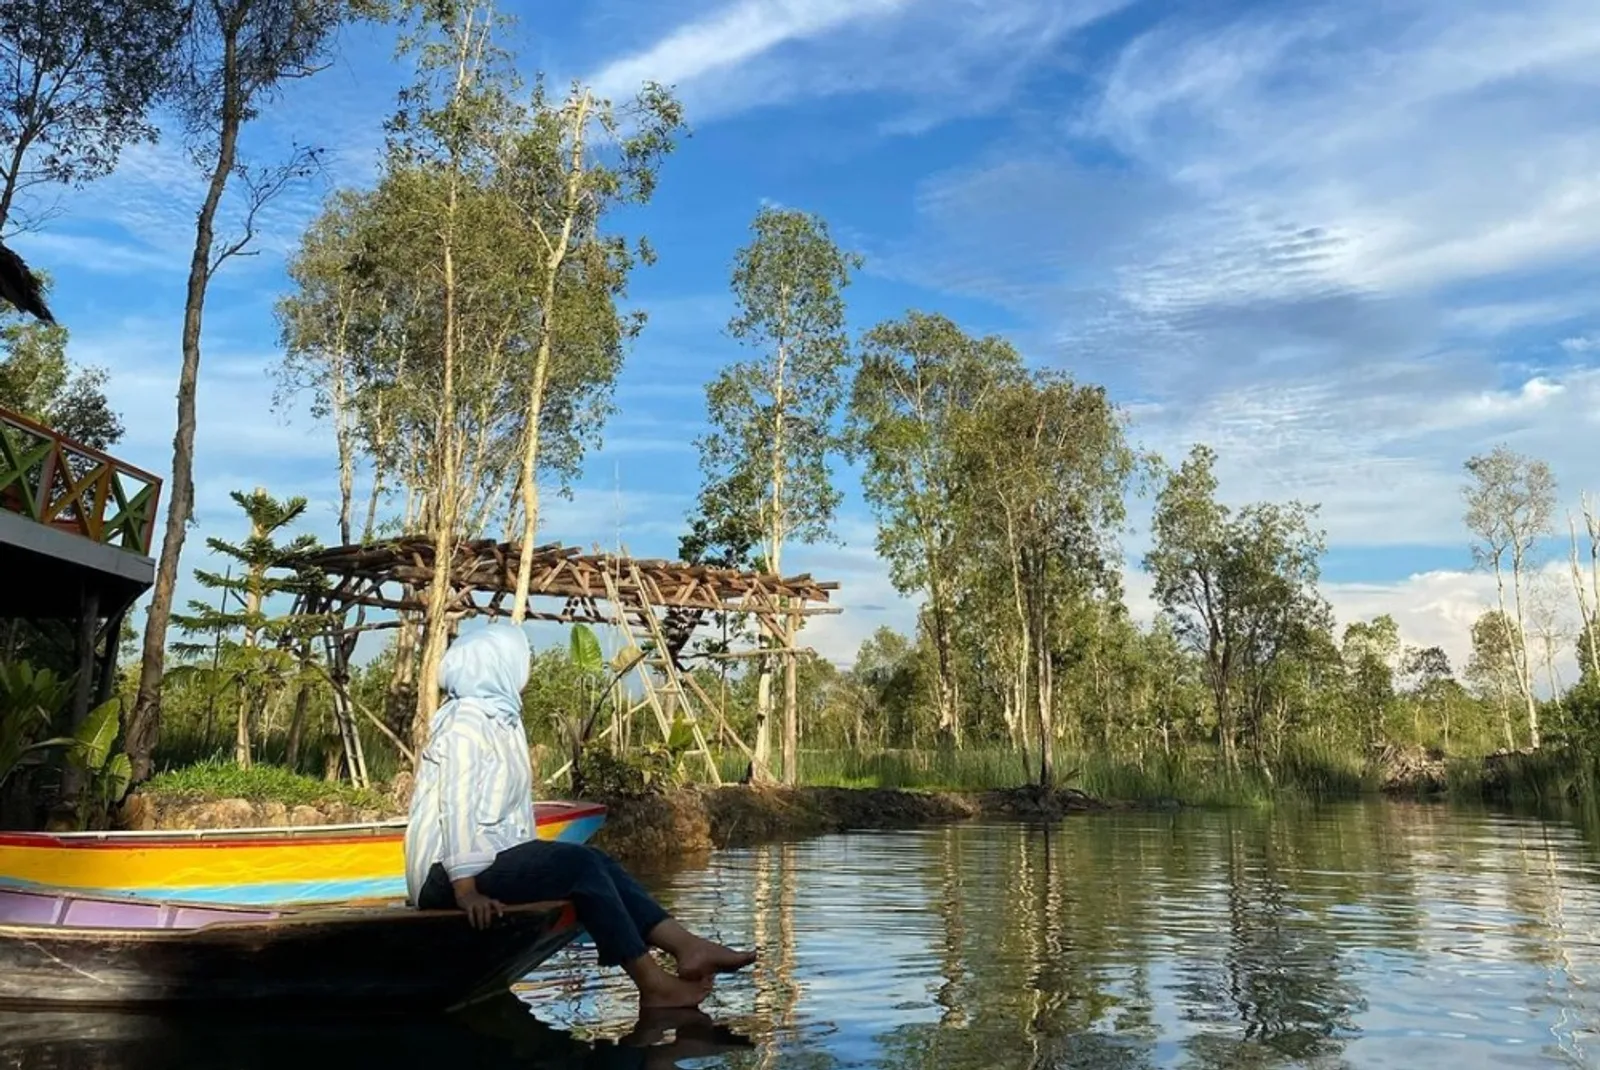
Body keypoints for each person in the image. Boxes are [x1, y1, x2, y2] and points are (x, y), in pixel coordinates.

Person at [404, 624, 756, 1008]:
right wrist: (466, 891)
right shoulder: (465, 723)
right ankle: (651, 984)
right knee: (579, 865)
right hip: (446, 874)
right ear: (497, 665)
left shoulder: (502, 720)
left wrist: (534, 861)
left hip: (487, 861)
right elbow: (455, 807)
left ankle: (686, 946)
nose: (526, 668)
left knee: (596, 859)